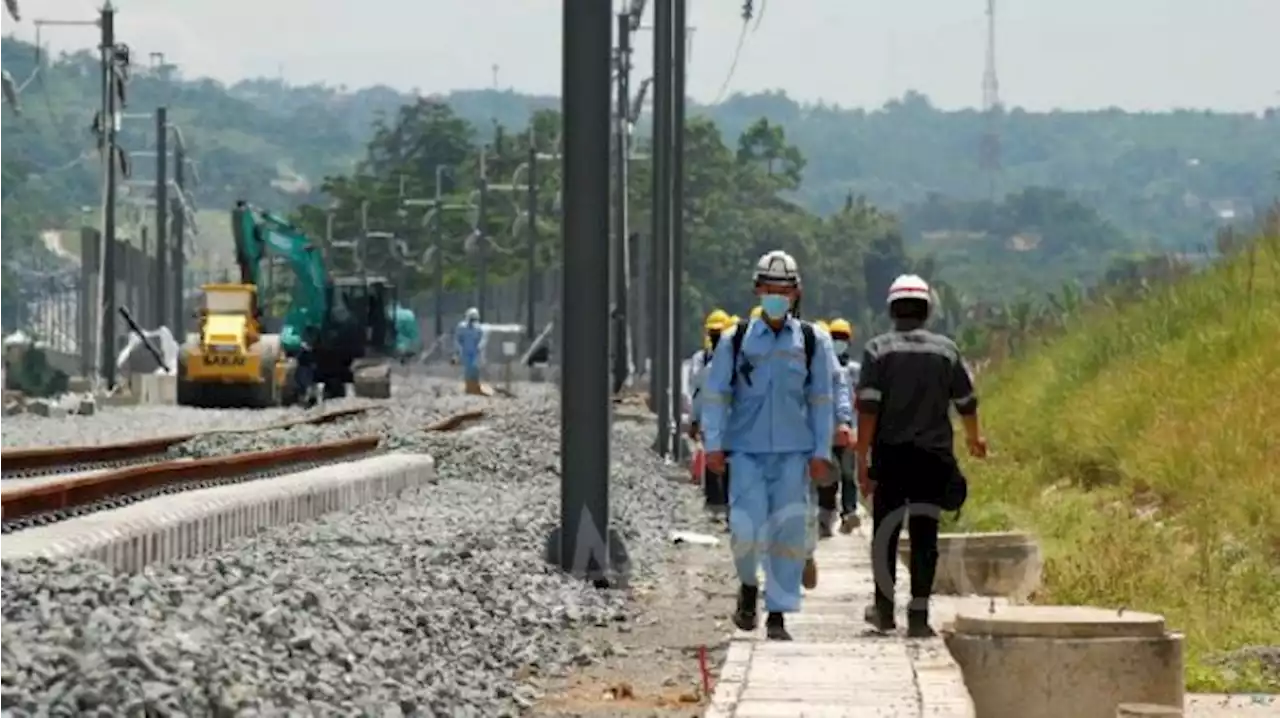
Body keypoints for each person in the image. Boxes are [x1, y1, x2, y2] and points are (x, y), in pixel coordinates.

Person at [702, 250, 836, 641]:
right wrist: (713, 445)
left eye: (784, 289)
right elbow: (716, 395)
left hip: (794, 454)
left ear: (796, 294)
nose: (777, 296)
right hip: (746, 452)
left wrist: (821, 454)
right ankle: (748, 587)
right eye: (770, 289)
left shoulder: (813, 341)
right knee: (745, 529)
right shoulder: (735, 340)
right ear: (758, 291)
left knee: (788, 533)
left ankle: (777, 613)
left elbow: (821, 400)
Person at [855, 274, 987, 638]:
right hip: (933, 458)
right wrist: (976, 439)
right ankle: (918, 615)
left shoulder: (877, 350)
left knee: (886, 532)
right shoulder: (946, 351)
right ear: (928, 310)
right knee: (925, 534)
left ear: (892, 309)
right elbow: (966, 402)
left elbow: (867, 410)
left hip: (891, 456)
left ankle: (884, 610)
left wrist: (861, 459)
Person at [689, 309, 731, 511]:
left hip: (730, 419)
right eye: (712, 333)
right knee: (712, 459)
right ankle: (715, 501)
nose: (715, 337)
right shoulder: (702, 358)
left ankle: (728, 503)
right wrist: (694, 419)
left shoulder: (735, 358)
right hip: (709, 417)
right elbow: (697, 390)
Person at [828, 318, 863, 534]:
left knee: (849, 473)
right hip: (827, 429)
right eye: (835, 338)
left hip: (850, 428)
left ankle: (849, 512)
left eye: (842, 339)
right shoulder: (823, 369)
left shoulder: (855, 370)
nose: (838, 342)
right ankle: (827, 512)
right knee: (829, 474)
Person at [454, 307, 488, 395]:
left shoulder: (478, 328)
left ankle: (475, 386)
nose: (473, 321)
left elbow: (482, 339)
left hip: (475, 352)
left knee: (475, 369)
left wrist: (480, 347)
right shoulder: (462, 327)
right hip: (465, 352)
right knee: (468, 369)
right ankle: (469, 387)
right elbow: (457, 339)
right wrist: (459, 349)